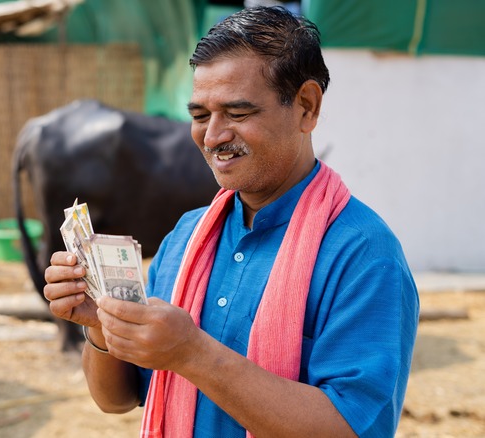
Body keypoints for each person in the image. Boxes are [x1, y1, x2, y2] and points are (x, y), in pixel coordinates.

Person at [43, 6, 419, 437]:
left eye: (238, 114)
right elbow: (118, 399)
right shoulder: (186, 238)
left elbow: (347, 428)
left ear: (307, 107)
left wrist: (193, 354)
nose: (213, 135)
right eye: (200, 116)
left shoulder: (363, 254)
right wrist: (101, 326)